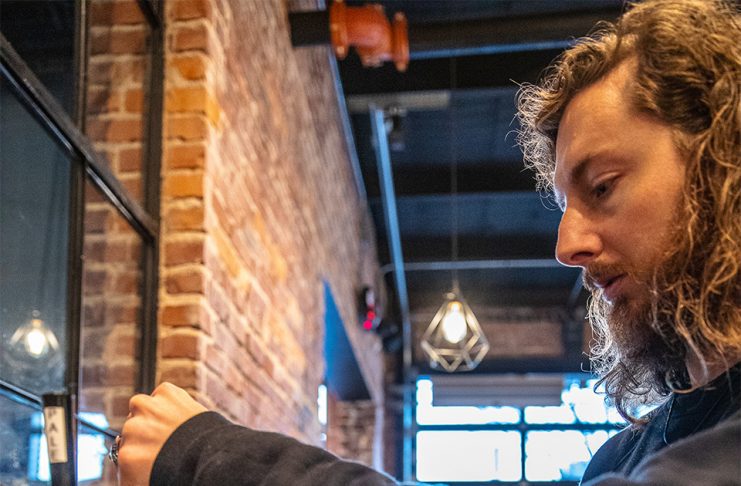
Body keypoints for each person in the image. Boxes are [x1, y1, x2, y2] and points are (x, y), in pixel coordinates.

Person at [117, 0, 740, 484]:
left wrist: (203, 454)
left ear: (724, 162)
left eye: (602, 186)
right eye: (565, 207)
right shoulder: (621, 458)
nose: (566, 244)